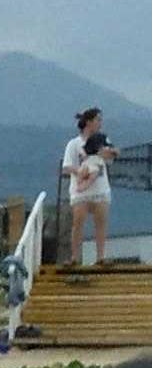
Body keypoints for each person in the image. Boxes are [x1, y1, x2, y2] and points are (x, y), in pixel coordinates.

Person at [62, 107, 113, 269]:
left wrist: (108, 154)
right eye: (98, 120)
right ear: (89, 122)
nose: (100, 123)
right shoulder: (74, 144)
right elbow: (67, 166)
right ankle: (75, 257)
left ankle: (101, 256)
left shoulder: (103, 139)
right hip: (81, 191)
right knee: (78, 223)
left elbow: (111, 157)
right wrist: (80, 172)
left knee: (101, 223)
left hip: (100, 189)